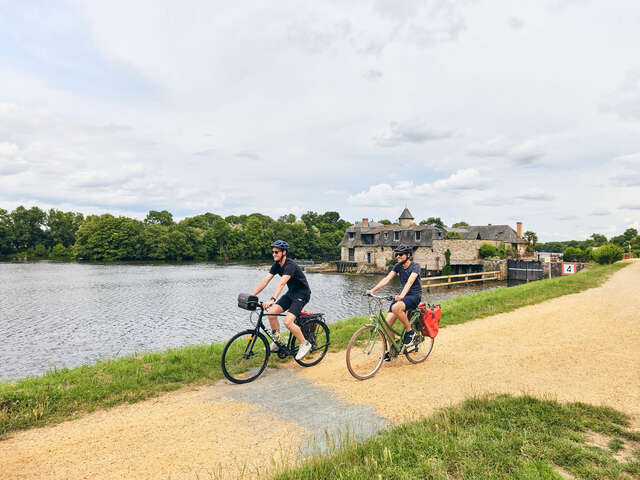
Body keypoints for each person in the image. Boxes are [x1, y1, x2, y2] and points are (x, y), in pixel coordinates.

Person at [252, 240, 312, 361]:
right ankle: (278, 342)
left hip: (302, 294)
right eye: (273, 252)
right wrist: (252, 295)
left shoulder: (290, 265)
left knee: (288, 322)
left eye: (276, 252)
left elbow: (282, 283)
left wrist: (273, 299)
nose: (274, 254)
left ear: (284, 252)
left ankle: (305, 344)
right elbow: (266, 280)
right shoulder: (276, 265)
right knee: (271, 314)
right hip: (291, 293)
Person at [365, 244, 422, 359]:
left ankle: (410, 332)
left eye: (401, 254)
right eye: (397, 254)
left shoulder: (415, 266)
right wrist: (372, 290)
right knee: (386, 326)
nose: (398, 256)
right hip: (402, 297)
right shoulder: (398, 266)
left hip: (414, 296)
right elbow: (386, 279)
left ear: (408, 255)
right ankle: (393, 350)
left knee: (396, 308)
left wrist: (401, 296)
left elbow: (409, 282)